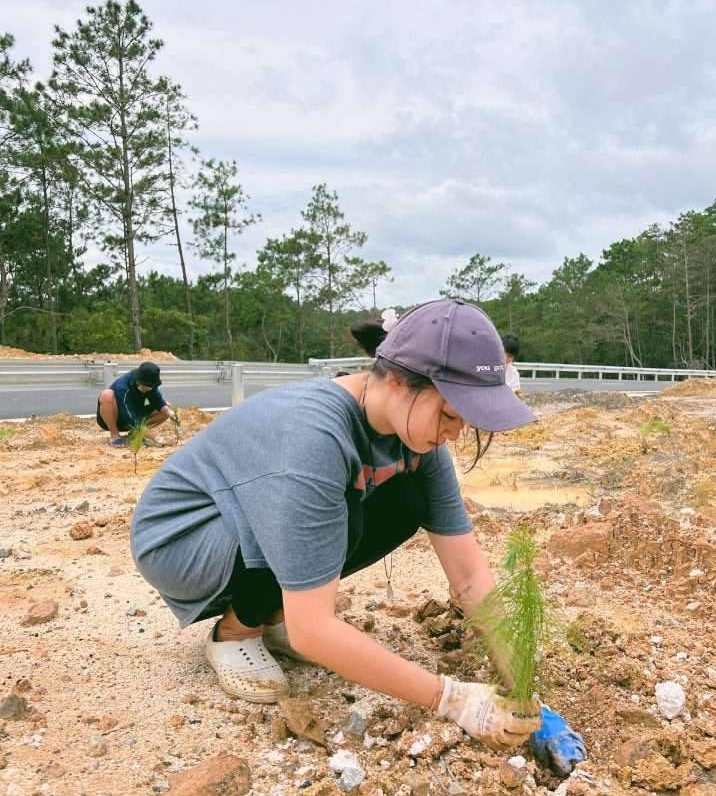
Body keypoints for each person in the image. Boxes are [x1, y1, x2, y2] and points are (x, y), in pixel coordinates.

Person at [130, 300, 543, 750]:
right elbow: (315, 632)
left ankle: (270, 613)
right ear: (401, 380)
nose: (454, 433)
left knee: (405, 501)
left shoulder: (422, 446)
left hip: (245, 524)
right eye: (449, 414)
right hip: (183, 539)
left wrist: (515, 676)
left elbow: (468, 575)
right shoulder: (315, 434)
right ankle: (235, 632)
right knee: (339, 513)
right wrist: (452, 699)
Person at [97, 361, 172, 447]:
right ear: (139, 382)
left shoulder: (150, 381)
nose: (151, 389)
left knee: (167, 406)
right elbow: (126, 413)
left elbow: (158, 401)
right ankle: (115, 434)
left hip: (135, 414)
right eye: (149, 387)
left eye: (153, 386)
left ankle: (134, 433)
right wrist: (152, 436)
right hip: (118, 417)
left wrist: (170, 413)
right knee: (106, 394)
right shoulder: (122, 387)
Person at [502, 333, 524, 399]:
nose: (505, 358)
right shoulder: (487, 367)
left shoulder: (513, 373)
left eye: (509, 356)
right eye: (503, 353)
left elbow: (517, 393)